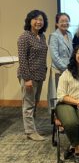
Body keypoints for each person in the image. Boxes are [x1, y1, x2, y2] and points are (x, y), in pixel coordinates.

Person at [17, 10, 48, 141]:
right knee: (29, 104)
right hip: (28, 76)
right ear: (29, 21)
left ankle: (31, 127)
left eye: (41, 19)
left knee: (34, 103)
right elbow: (22, 59)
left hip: (39, 75)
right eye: (35, 19)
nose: (38, 22)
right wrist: (27, 79)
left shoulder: (42, 36)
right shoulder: (24, 37)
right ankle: (30, 132)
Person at [48, 13, 73, 111]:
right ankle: (57, 118)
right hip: (58, 71)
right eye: (62, 21)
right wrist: (65, 69)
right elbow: (55, 56)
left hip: (68, 70)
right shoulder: (53, 36)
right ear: (57, 23)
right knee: (57, 96)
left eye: (67, 21)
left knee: (67, 95)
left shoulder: (69, 34)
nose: (65, 23)